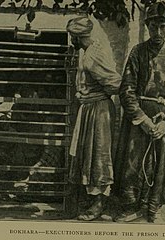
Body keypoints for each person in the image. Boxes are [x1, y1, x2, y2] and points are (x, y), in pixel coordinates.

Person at [114, 1, 165, 223]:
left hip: (162, 121)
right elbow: (126, 89)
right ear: (147, 27)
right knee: (132, 162)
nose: (158, 32)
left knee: (159, 165)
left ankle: (153, 209)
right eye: (153, 27)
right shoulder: (137, 52)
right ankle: (129, 207)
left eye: (163, 26)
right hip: (139, 119)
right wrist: (141, 119)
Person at [66, 16, 121, 221]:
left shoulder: (95, 54)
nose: (71, 40)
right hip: (89, 108)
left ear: (79, 36)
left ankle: (99, 204)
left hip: (99, 109)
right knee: (87, 155)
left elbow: (115, 83)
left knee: (99, 156)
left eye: (72, 36)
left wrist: (97, 95)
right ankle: (91, 200)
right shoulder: (84, 51)